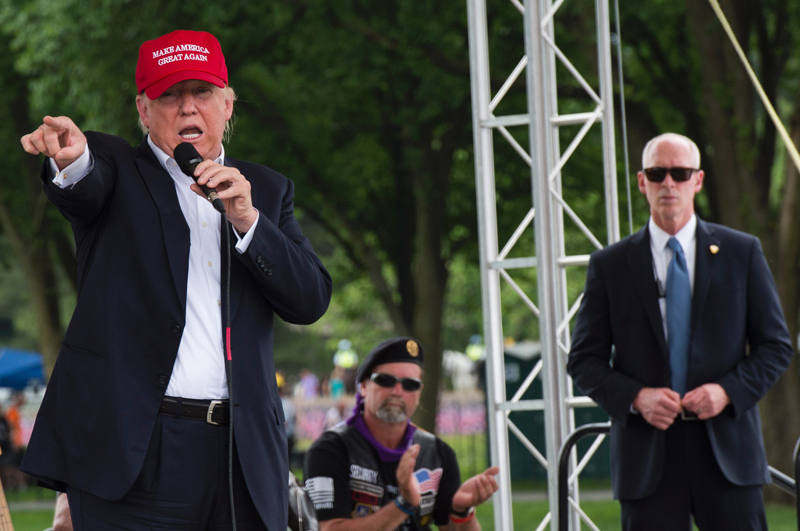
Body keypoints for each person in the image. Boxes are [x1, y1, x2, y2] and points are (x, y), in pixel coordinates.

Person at [19, 29, 332, 530]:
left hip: (239, 455)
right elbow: (84, 182)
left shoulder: (267, 192)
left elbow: (310, 300)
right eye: (170, 95)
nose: (188, 109)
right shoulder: (117, 169)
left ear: (228, 105)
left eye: (202, 93)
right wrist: (71, 159)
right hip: (136, 452)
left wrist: (248, 221)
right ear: (144, 110)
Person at [567, 133, 792, 530]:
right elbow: (583, 360)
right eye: (657, 173)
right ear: (642, 182)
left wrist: (726, 391)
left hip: (728, 453)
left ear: (698, 180)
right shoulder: (611, 265)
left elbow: (775, 347)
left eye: (680, 173)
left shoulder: (743, 253)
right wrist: (637, 397)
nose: (668, 183)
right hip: (647, 458)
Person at [304, 337, 498, 530]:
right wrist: (403, 504)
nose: (397, 391)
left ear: (419, 393)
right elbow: (329, 528)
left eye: (410, 384)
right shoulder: (329, 450)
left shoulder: (438, 453)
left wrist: (461, 510)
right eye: (385, 380)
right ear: (363, 386)